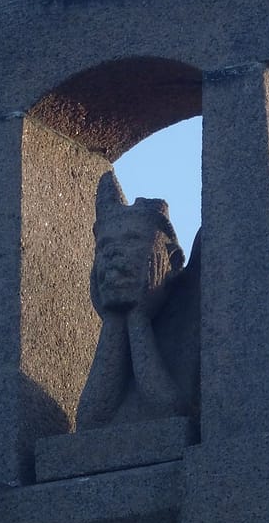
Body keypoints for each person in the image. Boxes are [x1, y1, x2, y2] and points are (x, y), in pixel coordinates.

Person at [76, 171, 200, 428]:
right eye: (104, 245)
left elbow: (170, 409)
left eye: (132, 240)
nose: (112, 252)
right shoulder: (119, 321)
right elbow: (90, 418)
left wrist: (139, 318)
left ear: (173, 260)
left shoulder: (188, 309)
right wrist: (115, 318)